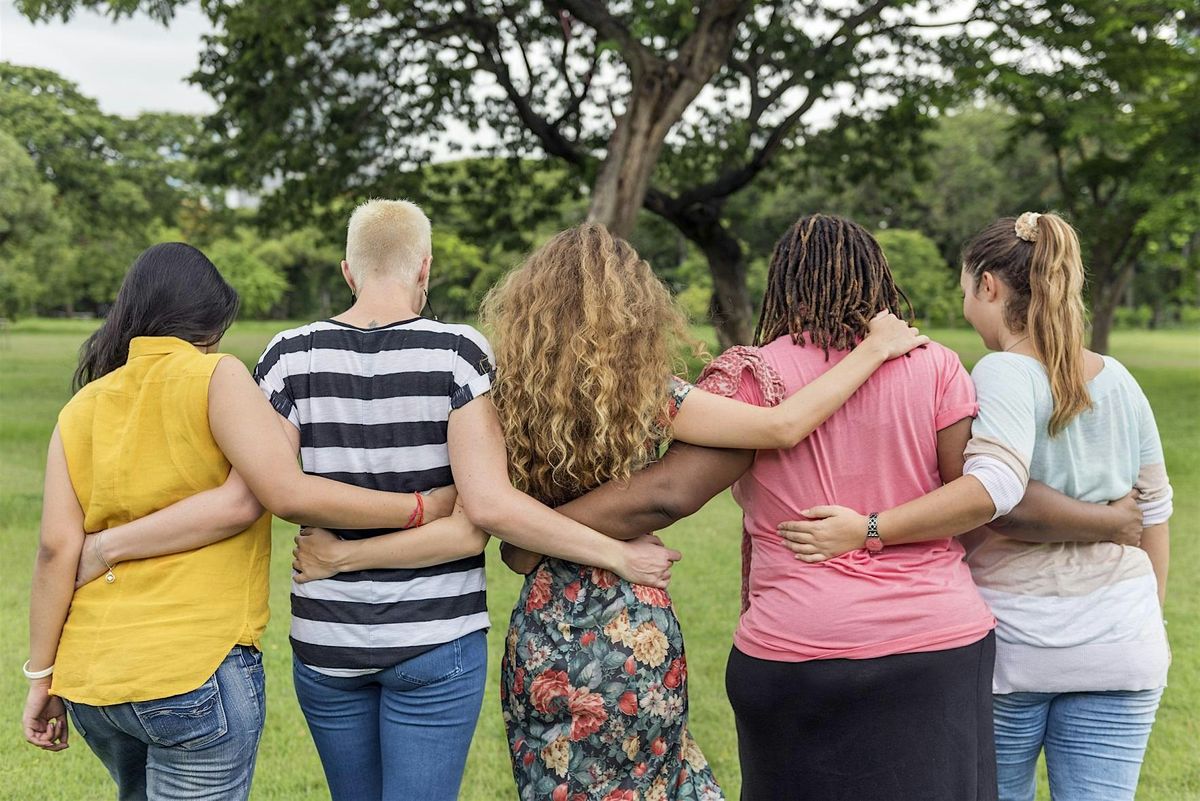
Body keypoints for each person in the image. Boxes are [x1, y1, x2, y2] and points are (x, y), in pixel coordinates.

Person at [61, 203, 683, 801]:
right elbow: (479, 518)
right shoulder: (460, 355)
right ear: (425, 267)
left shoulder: (287, 357)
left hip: (328, 641)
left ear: (348, 271)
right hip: (437, 637)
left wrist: (337, 559)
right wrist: (618, 555)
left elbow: (267, 489)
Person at [297, 221, 932, 800]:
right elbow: (782, 426)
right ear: (635, 308)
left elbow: (489, 514)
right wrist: (871, 350)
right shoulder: (652, 393)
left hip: (544, 630)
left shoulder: (498, 393)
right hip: (634, 618)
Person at [20, 242, 466, 801]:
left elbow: (56, 551)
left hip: (93, 682)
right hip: (190, 668)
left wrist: (41, 676)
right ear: (210, 319)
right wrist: (418, 508)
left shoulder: (81, 406)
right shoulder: (216, 377)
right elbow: (273, 493)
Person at [780, 212, 1172, 801]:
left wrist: (868, 528)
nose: (964, 303)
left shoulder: (1003, 371)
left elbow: (993, 494)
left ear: (988, 286)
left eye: (964, 290)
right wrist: (1145, 616)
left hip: (1021, 642)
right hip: (1125, 641)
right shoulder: (1119, 379)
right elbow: (1154, 513)